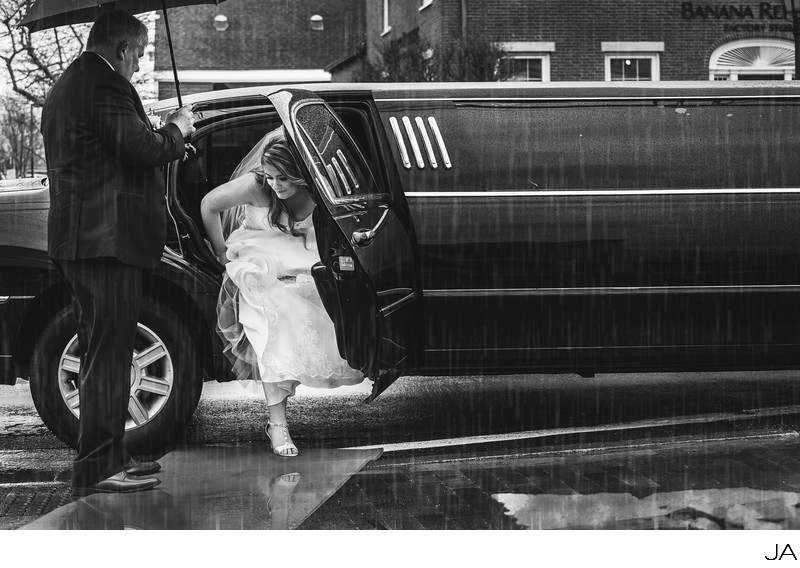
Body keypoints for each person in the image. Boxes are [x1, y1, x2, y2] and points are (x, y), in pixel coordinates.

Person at [41, 10, 195, 495]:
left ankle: (106, 458)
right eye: (141, 55)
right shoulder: (102, 84)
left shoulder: (74, 84)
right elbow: (138, 148)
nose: (140, 64)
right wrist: (177, 130)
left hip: (84, 239)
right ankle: (100, 468)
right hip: (104, 242)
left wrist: (168, 139)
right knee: (108, 357)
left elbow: (115, 151)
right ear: (125, 49)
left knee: (101, 354)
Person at [201, 133, 364, 457]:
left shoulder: (321, 189)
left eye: (284, 179)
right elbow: (209, 205)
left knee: (324, 302)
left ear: (303, 175)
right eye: (270, 177)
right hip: (257, 257)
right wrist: (220, 253)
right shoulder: (256, 185)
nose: (274, 185)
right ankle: (278, 424)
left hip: (303, 260)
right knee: (274, 314)